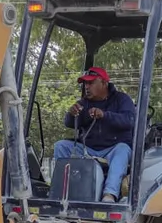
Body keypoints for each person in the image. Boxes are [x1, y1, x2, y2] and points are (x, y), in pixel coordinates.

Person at [53, 66, 137, 202]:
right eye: (85, 83)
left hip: (112, 149)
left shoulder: (122, 99)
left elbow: (129, 121)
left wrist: (105, 115)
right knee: (61, 146)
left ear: (104, 83)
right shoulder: (84, 103)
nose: (87, 87)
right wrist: (71, 114)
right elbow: (68, 123)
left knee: (123, 149)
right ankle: (63, 193)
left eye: (91, 83)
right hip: (88, 149)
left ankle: (109, 195)